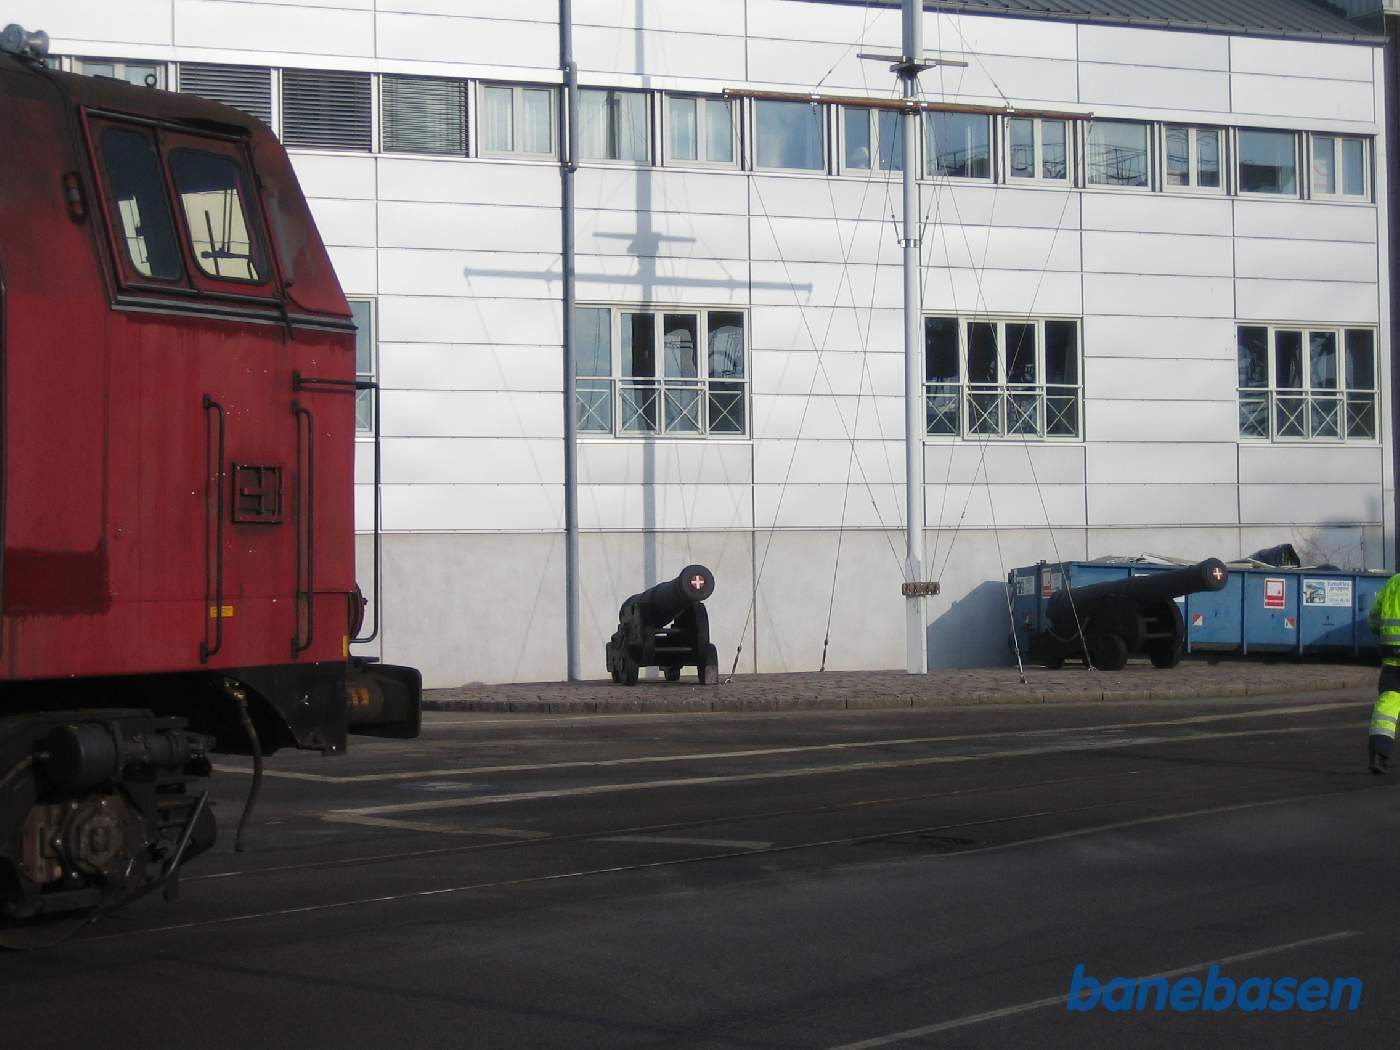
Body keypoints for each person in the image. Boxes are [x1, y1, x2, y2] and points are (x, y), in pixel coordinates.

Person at [1366, 573, 1400, 774]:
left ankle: (1379, 753)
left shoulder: (1393, 582)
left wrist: (1381, 635)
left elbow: (1373, 617)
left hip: (1391, 653)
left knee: (1388, 703)